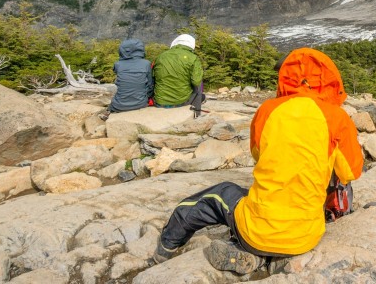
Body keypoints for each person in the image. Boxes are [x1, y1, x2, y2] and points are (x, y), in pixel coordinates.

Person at [154, 47, 364, 276]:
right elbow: (351, 172)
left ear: (286, 76)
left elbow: (258, 154)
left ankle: (166, 246)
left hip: (255, 232)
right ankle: (275, 258)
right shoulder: (337, 117)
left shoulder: (267, 110)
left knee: (218, 194)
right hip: (307, 237)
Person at [152, 33, 203, 108]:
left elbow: (153, 78)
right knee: (199, 80)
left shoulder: (161, 56)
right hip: (181, 102)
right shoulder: (193, 58)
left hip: (160, 101)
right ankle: (197, 112)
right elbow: (196, 82)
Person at [106, 38, 152, 116]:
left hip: (118, 106)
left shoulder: (118, 64)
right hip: (140, 104)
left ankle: (108, 113)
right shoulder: (146, 64)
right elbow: (150, 86)